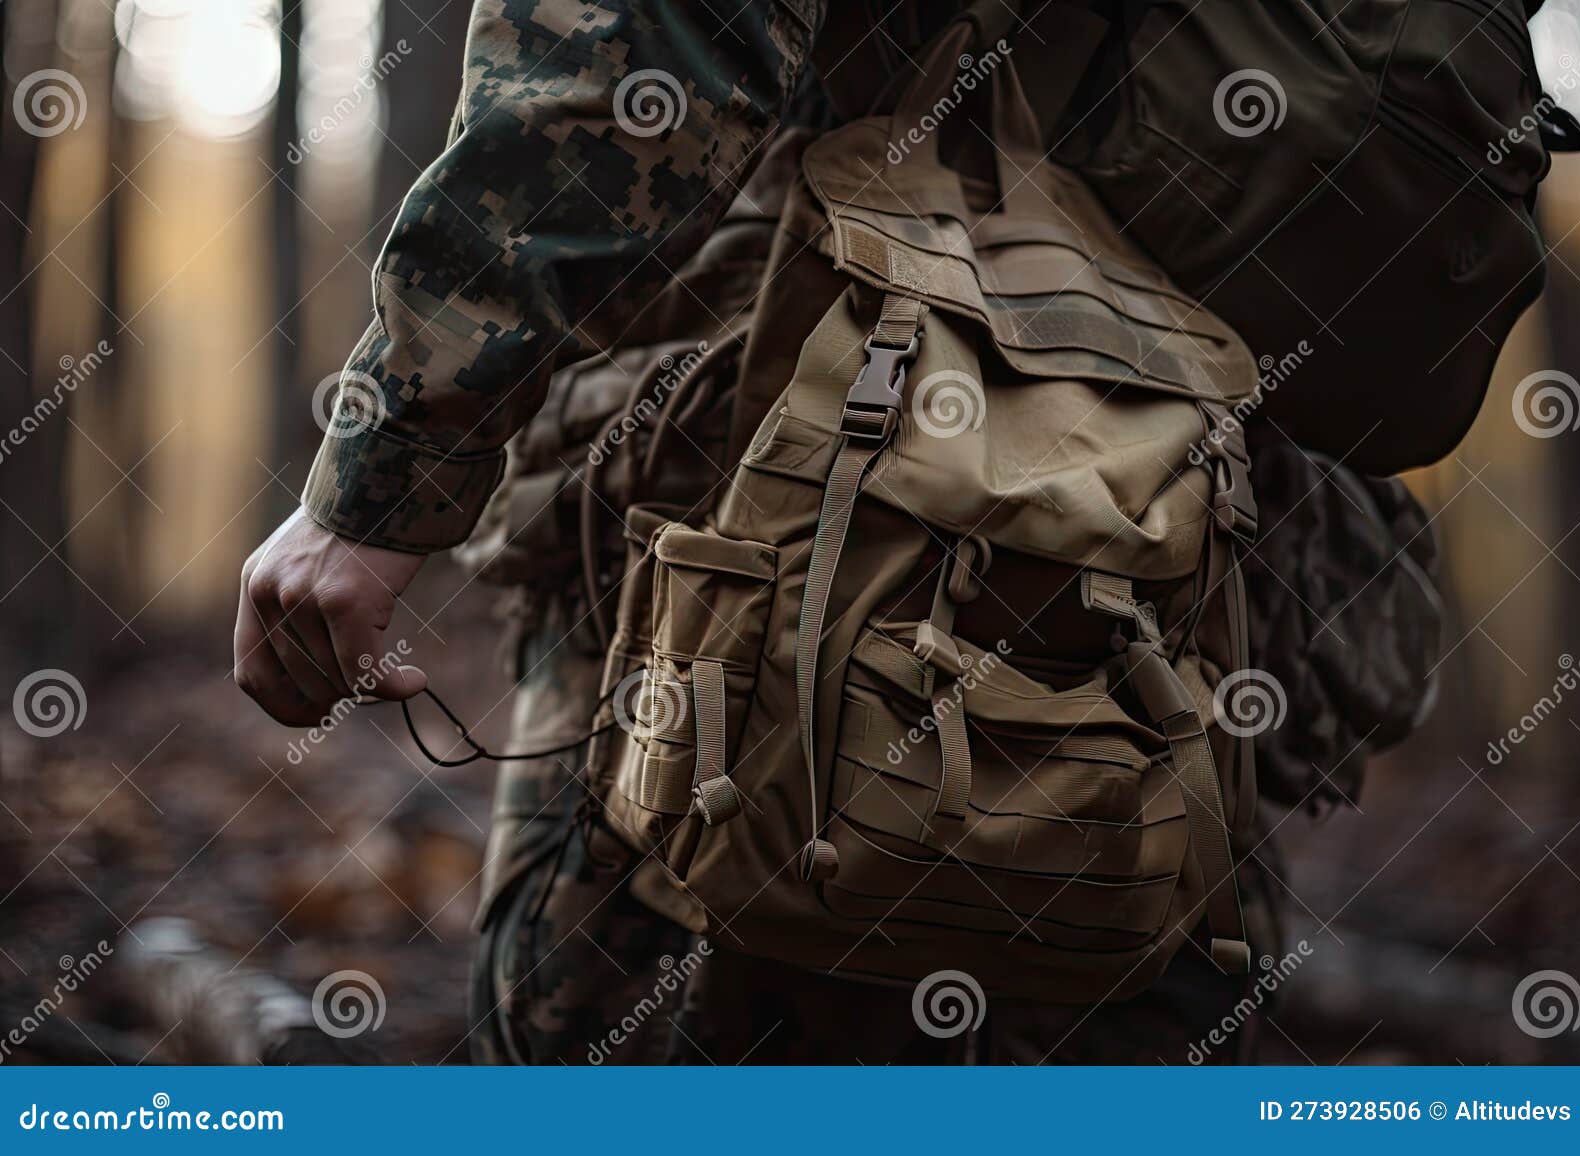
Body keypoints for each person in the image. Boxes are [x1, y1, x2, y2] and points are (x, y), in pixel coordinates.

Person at [234, 0, 1287, 1064]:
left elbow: (641, 50)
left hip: (784, 435)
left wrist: (392, 462)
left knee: (644, 1034)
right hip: (1191, 492)